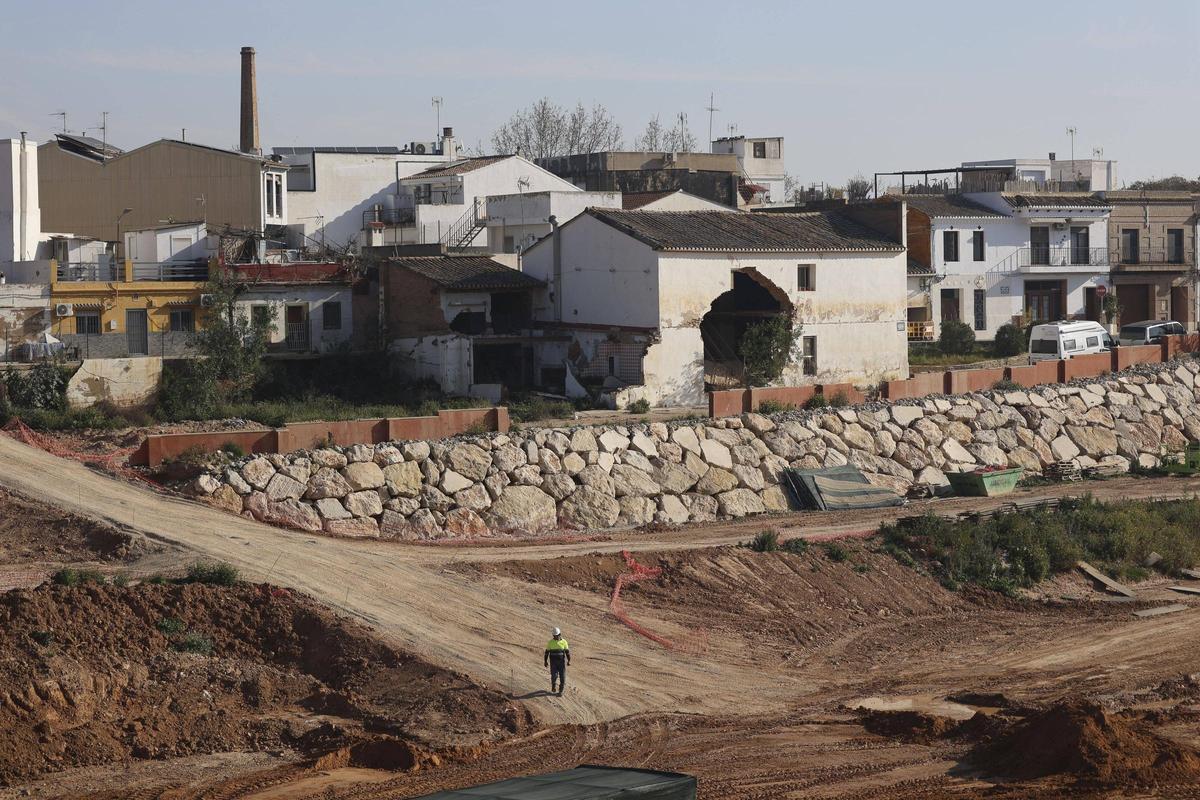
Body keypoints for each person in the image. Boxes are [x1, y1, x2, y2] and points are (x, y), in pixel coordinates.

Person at [544, 626, 570, 695]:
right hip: (553, 663)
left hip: (561, 663)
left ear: (560, 634)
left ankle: (560, 691)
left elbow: (567, 652)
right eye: (554, 636)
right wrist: (545, 661)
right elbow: (547, 652)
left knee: (563, 677)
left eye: (557, 635)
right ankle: (553, 685)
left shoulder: (564, 642)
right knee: (554, 676)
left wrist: (569, 660)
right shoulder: (550, 642)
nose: (555, 637)